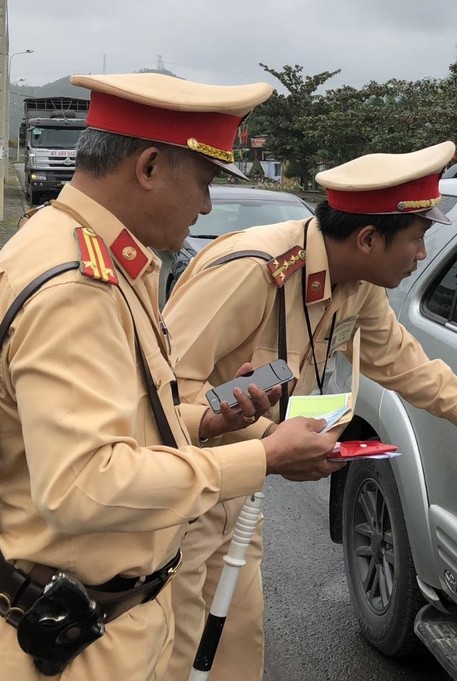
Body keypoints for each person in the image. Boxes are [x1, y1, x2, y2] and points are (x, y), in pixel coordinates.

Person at [0, 73, 344, 681]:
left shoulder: (79, 249)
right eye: (205, 182)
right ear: (150, 167)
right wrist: (261, 459)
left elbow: (115, 426)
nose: (208, 207)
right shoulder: (79, 286)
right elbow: (83, 485)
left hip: (97, 618)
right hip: (74, 643)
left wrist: (205, 418)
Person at [162, 140, 457, 681]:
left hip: (242, 488)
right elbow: (159, 399)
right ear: (368, 238)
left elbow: (398, 358)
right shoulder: (251, 272)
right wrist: (257, 435)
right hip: (186, 492)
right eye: (416, 240)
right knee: (176, 646)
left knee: (236, 641)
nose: (420, 255)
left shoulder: (358, 283)